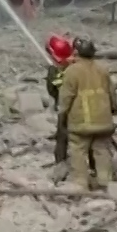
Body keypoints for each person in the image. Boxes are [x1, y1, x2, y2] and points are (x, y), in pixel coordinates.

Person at [58, 37, 117, 190]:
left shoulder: (71, 71)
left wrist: (62, 116)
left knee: (78, 150)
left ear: (76, 52)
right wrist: (113, 110)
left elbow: (66, 98)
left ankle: (80, 183)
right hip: (103, 121)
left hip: (81, 123)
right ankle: (105, 181)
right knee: (102, 150)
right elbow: (112, 92)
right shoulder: (103, 69)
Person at [44, 33, 74, 166]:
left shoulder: (54, 70)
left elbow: (51, 89)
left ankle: (60, 161)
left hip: (64, 106)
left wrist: (57, 100)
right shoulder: (76, 65)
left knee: (62, 135)